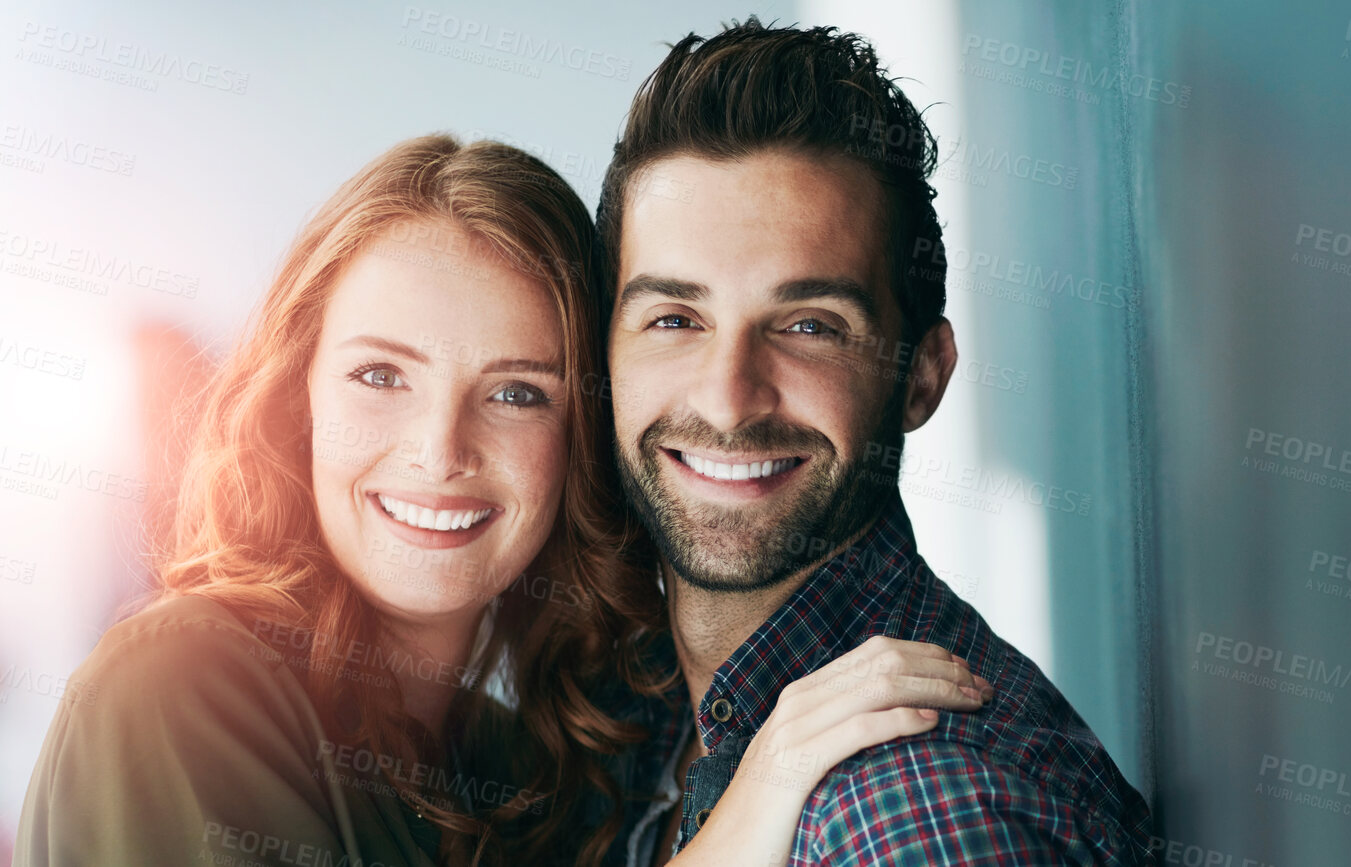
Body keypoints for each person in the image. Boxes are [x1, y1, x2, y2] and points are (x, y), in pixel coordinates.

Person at [12, 135, 984, 867]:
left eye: (517, 392)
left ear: (584, 441)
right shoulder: (177, 686)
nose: (439, 452)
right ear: (293, 400)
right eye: (380, 377)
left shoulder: (527, 762)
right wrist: (743, 823)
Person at [595, 19, 1152, 865]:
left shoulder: (906, 813)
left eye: (809, 325)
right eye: (674, 318)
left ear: (922, 376)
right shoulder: (639, 702)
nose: (728, 397)